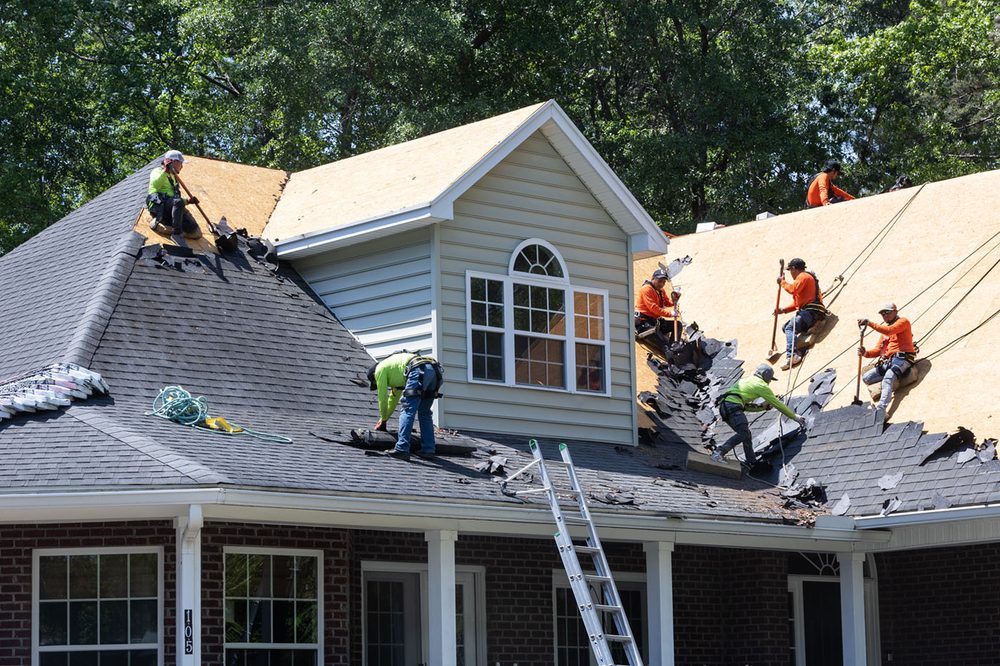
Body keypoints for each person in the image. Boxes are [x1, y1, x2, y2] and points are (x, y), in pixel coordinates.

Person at [711, 364, 806, 467]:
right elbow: (778, 404)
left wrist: (762, 407)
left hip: (725, 407)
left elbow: (743, 406)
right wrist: (794, 417)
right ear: (765, 375)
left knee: (746, 434)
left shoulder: (745, 381)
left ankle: (751, 461)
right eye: (770, 379)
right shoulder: (762, 385)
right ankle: (719, 452)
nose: (769, 382)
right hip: (733, 407)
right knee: (743, 433)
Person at [367, 351, 444, 461]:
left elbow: (382, 398)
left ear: (373, 376)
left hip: (418, 370)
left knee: (407, 410)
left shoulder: (379, 370)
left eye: (375, 383)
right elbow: (392, 400)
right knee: (425, 413)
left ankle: (401, 449)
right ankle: (428, 450)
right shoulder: (395, 372)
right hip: (434, 370)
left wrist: (383, 421)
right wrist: (383, 419)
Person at [858, 303, 916, 414]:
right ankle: (892, 382)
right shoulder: (885, 334)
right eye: (883, 314)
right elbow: (877, 350)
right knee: (867, 378)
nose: (885, 316)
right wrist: (865, 353)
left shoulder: (903, 322)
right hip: (889, 361)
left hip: (902, 358)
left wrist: (869, 323)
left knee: (888, 379)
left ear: (895, 311)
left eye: (887, 312)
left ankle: (881, 409)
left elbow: (889, 330)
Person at [775, 258, 827, 370]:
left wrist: (782, 282)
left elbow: (793, 289)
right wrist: (783, 310)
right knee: (785, 327)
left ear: (794, 268)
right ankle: (813, 325)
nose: (791, 274)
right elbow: (797, 304)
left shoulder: (803, 276)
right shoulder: (807, 279)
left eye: (790, 270)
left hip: (811, 311)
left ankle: (792, 355)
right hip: (811, 312)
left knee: (790, 327)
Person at [147, 150, 202, 239]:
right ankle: (176, 234)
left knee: (192, 228)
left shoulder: (174, 177)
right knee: (178, 202)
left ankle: (168, 225)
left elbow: (174, 199)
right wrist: (165, 171)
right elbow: (156, 185)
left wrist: (188, 201)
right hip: (159, 205)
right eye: (181, 163)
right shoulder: (157, 171)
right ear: (174, 162)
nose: (182, 167)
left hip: (170, 206)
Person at [634, 268, 681, 352]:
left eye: (664, 282)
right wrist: (670, 314)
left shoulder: (660, 290)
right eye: (659, 281)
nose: (662, 284)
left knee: (678, 324)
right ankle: (669, 351)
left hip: (655, 321)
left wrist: (674, 301)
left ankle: (674, 346)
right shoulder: (646, 289)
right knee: (664, 345)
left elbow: (666, 302)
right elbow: (653, 308)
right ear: (653, 278)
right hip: (644, 322)